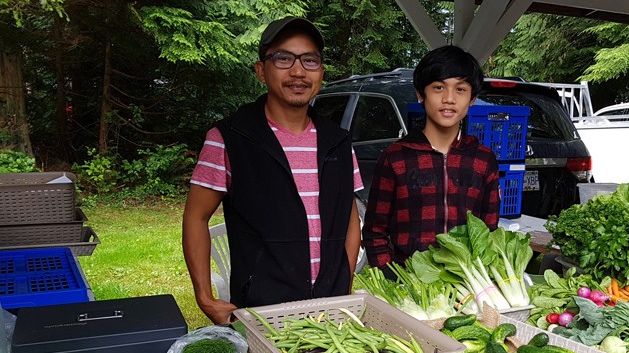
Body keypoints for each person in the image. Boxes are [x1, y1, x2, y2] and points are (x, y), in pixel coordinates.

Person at [183, 17, 363, 324]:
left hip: (331, 310)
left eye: (310, 60)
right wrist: (205, 297)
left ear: (321, 72)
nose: (298, 71)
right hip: (261, 312)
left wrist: (343, 286)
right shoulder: (229, 138)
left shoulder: (339, 141)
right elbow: (196, 216)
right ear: (260, 71)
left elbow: (349, 220)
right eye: (283, 58)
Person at [361, 45, 500, 274]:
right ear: (420, 94)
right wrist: (391, 278)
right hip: (408, 285)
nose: (449, 98)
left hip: (466, 285)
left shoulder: (483, 160)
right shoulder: (395, 158)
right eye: (438, 87)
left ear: (472, 99)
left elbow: (490, 230)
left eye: (460, 89)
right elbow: (375, 232)